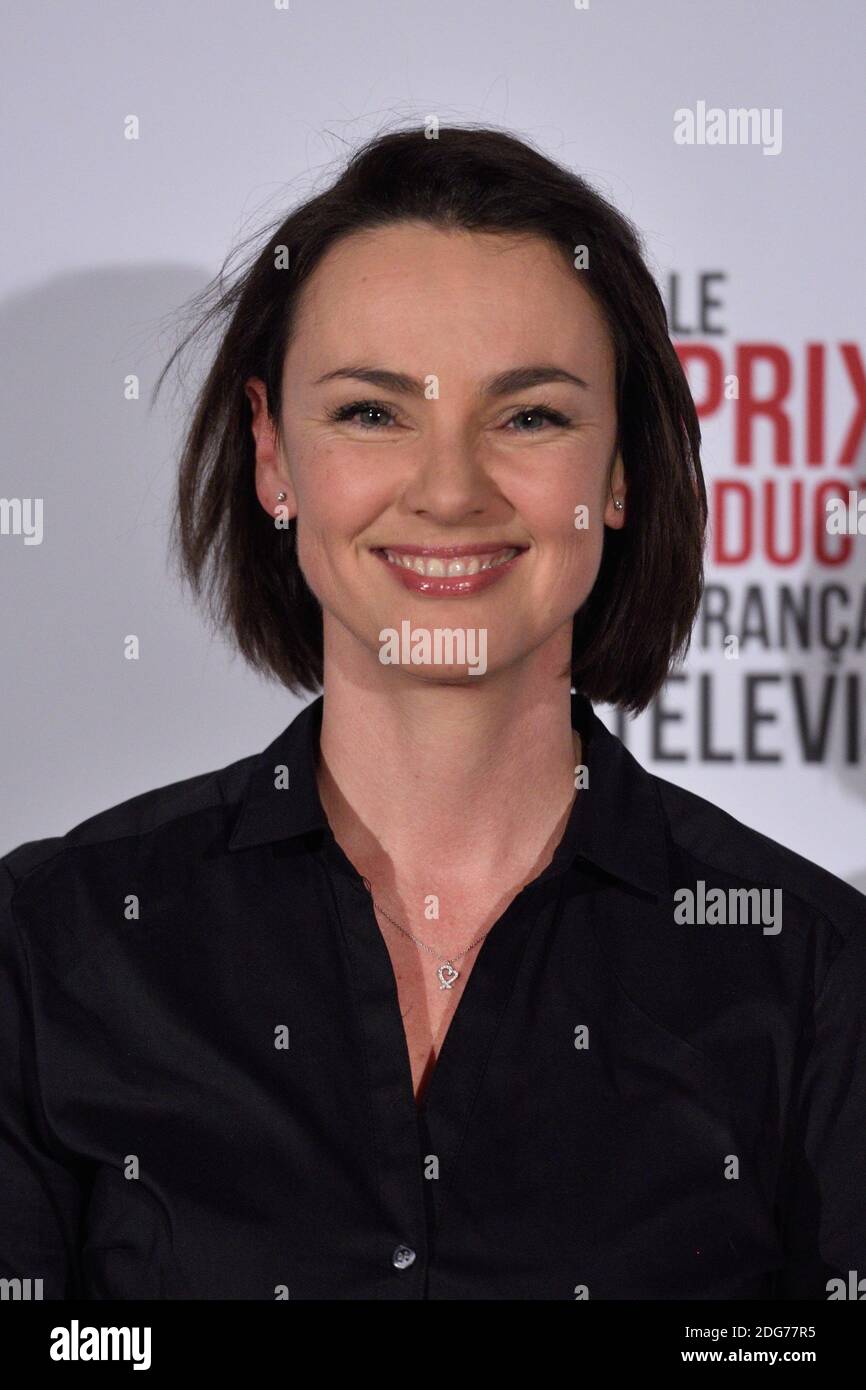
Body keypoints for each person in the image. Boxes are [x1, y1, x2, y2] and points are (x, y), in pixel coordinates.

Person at [1, 125, 864, 1301]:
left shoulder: (813, 974)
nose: (449, 489)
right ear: (270, 453)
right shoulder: (53, 946)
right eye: (370, 412)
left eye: (530, 417)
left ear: (617, 472)